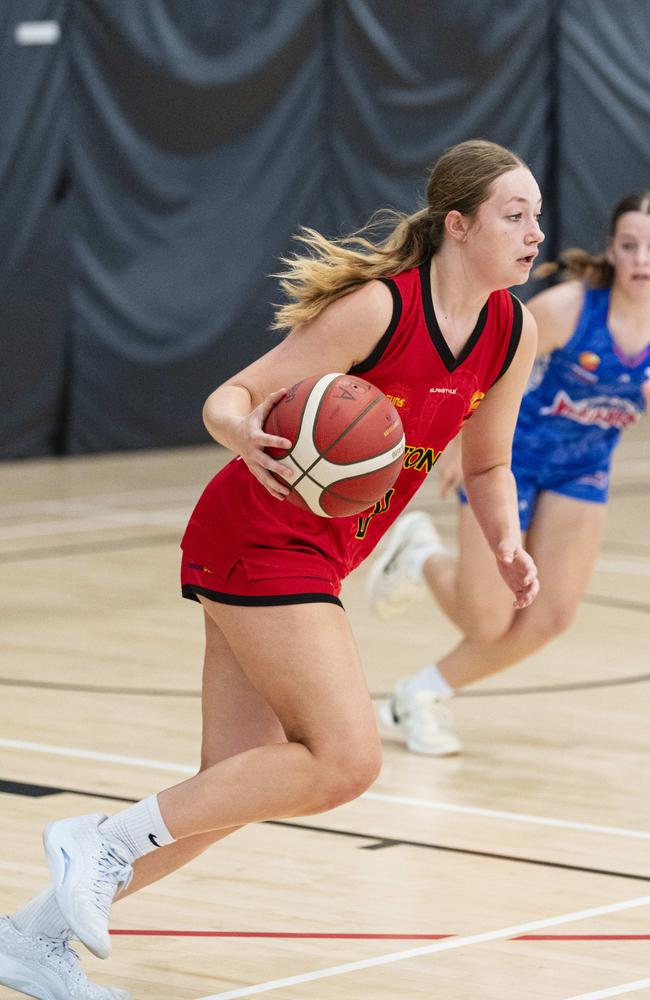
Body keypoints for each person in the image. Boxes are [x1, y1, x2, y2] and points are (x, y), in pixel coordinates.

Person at [0, 139, 544, 998]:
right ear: (458, 225)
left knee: (230, 791)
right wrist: (241, 434)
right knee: (346, 759)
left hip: (313, 553)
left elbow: (486, 465)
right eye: (516, 216)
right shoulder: (376, 310)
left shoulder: (513, 331)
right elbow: (232, 396)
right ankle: (96, 841)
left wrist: (508, 542)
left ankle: (26, 941)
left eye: (538, 217)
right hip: (260, 533)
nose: (534, 234)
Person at [367, 190, 650, 756]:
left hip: (583, 469)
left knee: (549, 617)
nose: (642, 258)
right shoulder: (568, 310)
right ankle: (422, 556)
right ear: (612, 252)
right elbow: (482, 364)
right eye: (629, 244)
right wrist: (454, 445)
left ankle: (418, 695)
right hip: (508, 460)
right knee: (488, 619)